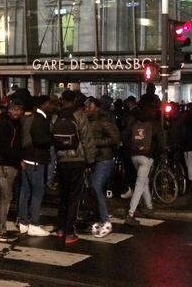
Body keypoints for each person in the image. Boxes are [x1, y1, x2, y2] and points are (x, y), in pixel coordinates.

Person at [53, 90, 96, 244]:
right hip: (77, 160)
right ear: (75, 100)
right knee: (74, 197)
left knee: (63, 195)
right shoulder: (79, 116)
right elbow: (87, 140)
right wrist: (90, 161)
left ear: (62, 100)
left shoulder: (56, 116)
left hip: (61, 160)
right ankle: (70, 232)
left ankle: (60, 228)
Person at [0, 99, 25, 242]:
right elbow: (8, 148)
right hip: (7, 165)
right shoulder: (9, 125)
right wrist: (18, 161)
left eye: (18, 109)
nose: (15, 112)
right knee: (6, 199)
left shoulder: (6, 124)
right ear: (8, 110)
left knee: (0, 198)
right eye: (13, 109)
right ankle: (0, 231)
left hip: (1, 163)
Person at [123, 101, 164, 226]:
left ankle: (149, 206)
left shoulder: (134, 121)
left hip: (134, 155)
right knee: (140, 183)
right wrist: (160, 152)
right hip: (147, 156)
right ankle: (130, 214)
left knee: (143, 180)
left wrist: (132, 148)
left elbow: (125, 135)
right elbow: (161, 141)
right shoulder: (154, 123)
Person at [17, 95, 52, 237]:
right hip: (36, 159)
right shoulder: (40, 119)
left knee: (25, 191)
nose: (51, 106)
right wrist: (53, 138)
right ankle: (34, 224)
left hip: (26, 158)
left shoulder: (27, 118)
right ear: (43, 105)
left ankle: (23, 222)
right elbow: (39, 140)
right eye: (49, 103)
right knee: (38, 192)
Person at [85, 97, 120, 238]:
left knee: (96, 186)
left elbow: (115, 139)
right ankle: (98, 215)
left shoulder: (104, 121)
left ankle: (105, 219)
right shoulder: (87, 121)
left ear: (97, 108)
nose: (87, 109)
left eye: (90, 107)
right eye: (86, 107)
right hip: (93, 159)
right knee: (92, 188)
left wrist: (95, 142)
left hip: (104, 159)